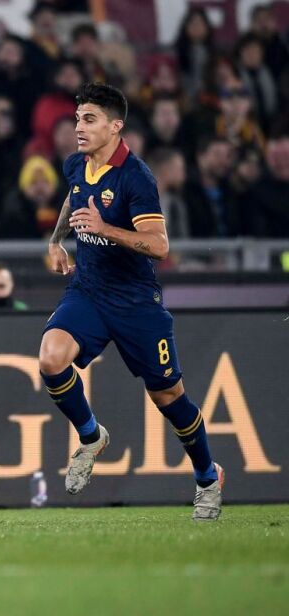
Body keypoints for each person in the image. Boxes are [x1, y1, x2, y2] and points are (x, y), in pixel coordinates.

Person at [42, 83, 222, 521]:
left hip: (135, 301)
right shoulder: (76, 163)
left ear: (115, 126)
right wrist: (56, 240)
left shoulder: (136, 178)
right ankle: (91, 437)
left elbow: (159, 246)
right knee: (51, 358)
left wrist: (105, 228)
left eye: (89, 119)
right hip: (88, 291)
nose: (78, 127)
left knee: (169, 398)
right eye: (77, 118)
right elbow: (73, 196)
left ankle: (207, 476)